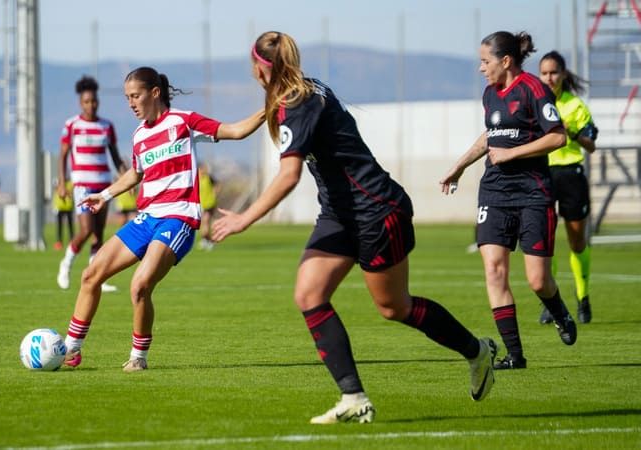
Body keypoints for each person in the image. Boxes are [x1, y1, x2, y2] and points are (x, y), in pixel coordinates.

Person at [211, 31, 498, 425]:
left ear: (261, 69)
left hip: (377, 211)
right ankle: (354, 397)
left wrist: (245, 218)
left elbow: (289, 174)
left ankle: (478, 351)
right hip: (340, 214)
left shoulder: (298, 100)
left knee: (394, 307)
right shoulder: (299, 92)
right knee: (309, 294)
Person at [62, 66, 265, 372]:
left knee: (139, 285)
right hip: (147, 219)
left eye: (135, 96)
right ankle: (71, 349)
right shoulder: (139, 135)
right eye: (128, 97)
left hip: (178, 219)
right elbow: (136, 173)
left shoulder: (184, 122)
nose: (130, 103)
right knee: (91, 274)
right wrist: (104, 195)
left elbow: (235, 131)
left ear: (154, 93)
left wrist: (271, 106)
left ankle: (138, 357)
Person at [439, 31, 578, 371]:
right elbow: (491, 136)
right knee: (494, 270)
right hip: (495, 191)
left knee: (538, 280)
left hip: (533, 193)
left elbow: (558, 136)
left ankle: (559, 310)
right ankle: (515, 356)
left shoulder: (534, 89)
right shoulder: (490, 94)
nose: (480, 68)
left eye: (485, 61)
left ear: (505, 61)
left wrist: (513, 153)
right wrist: (459, 166)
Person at [537, 51, 597, 325]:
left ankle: (583, 298)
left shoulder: (575, 106)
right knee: (545, 242)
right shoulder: (535, 103)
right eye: (545, 73)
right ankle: (552, 302)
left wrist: (570, 131)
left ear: (563, 74)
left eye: (554, 72)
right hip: (542, 175)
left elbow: (591, 144)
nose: (549, 78)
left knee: (576, 241)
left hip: (571, 175)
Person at [56, 75, 128, 293]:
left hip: (104, 186)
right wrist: (62, 183)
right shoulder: (72, 125)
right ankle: (66, 264)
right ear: (81, 103)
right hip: (82, 186)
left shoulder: (107, 126)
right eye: (87, 101)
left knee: (98, 233)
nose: (91, 105)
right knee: (86, 229)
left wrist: (125, 177)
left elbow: (115, 157)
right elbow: (62, 156)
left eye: (94, 101)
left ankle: (97, 276)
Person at [197, 163, 221, 250]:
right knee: (203, 224)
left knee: (206, 222)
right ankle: (206, 240)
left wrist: (215, 194)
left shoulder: (208, 178)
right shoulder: (196, 179)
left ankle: (209, 241)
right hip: (201, 204)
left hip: (209, 203)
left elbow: (218, 185)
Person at [53, 178, 75, 251]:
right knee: (59, 226)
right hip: (60, 207)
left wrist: (68, 192)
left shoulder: (71, 183)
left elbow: (72, 193)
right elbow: (56, 189)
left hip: (69, 207)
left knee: (70, 226)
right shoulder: (58, 182)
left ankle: (72, 242)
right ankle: (59, 242)